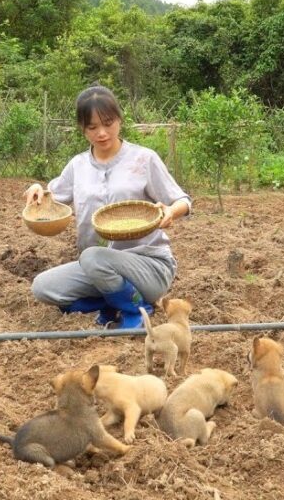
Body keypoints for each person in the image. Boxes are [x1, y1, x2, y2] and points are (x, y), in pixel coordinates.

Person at [24, 86, 192, 329]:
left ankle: (136, 308)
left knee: (92, 257)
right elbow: (52, 198)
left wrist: (171, 211)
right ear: (82, 128)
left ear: (120, 120)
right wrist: (37, 189)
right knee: (43, 287)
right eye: (92, 127)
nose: (102, 133)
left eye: (108, 123)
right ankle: (112, 304)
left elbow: (183, 201)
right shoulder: (78, 165)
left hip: (148, 265)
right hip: (99, 267)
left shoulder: (143, 159)